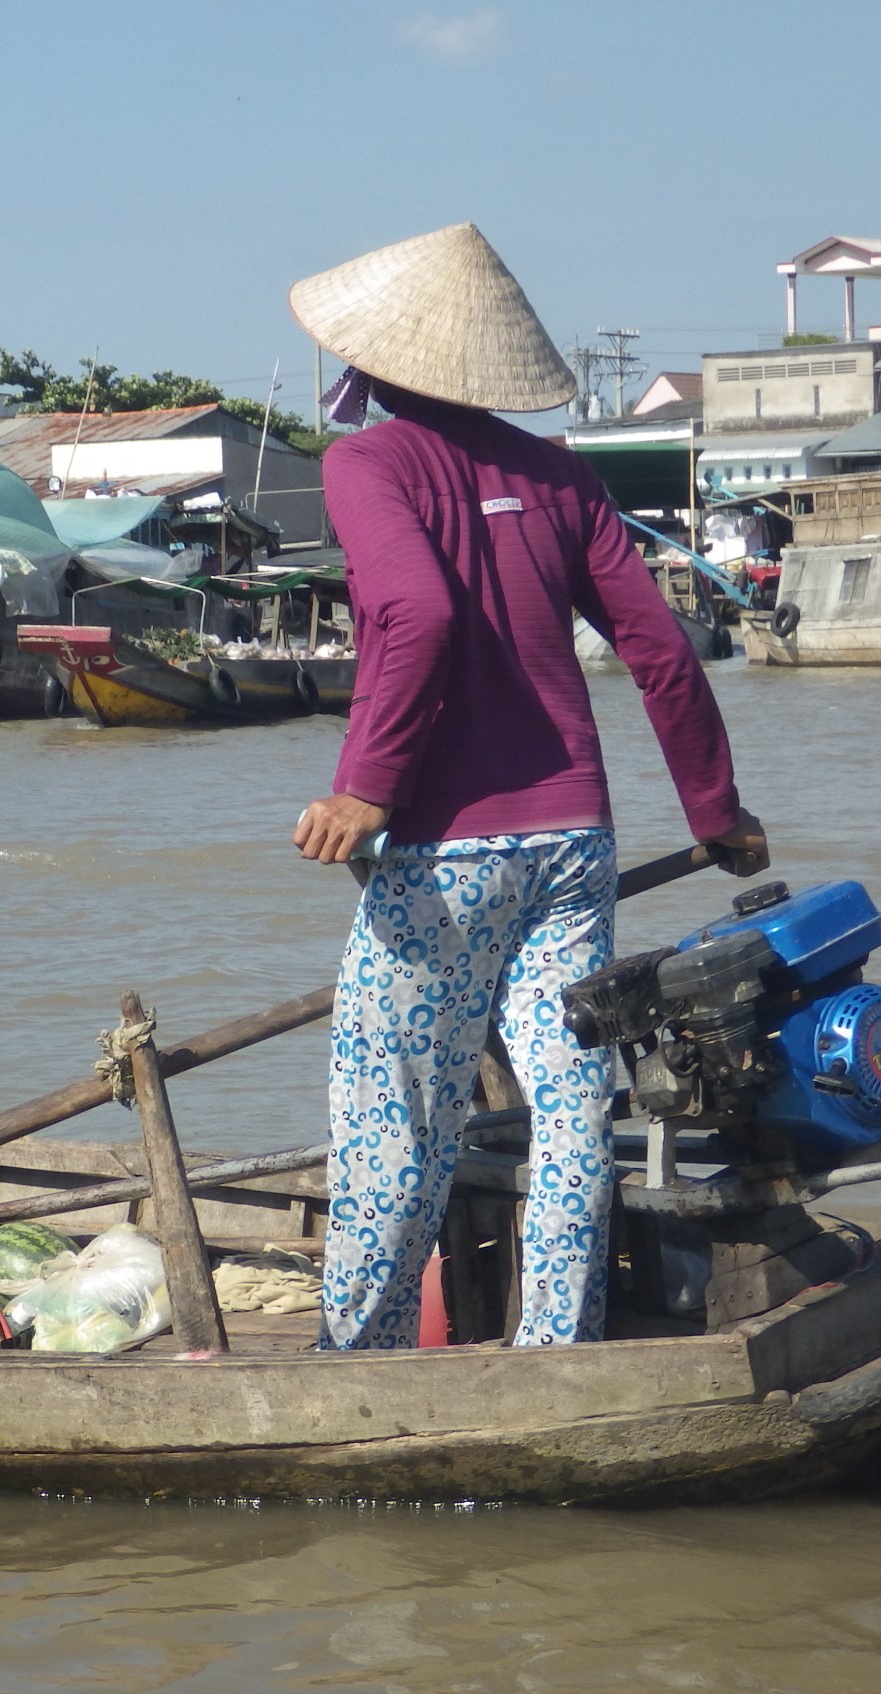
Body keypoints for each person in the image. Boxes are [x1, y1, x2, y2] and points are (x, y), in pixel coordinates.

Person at [284, 223, 767, 1353]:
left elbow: (420, 612)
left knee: (394, 1120)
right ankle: (555, 1347)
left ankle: (360, 1363)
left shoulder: (366, 463)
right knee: (569, 1110)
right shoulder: (559, 476)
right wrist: (716, 814)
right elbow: (659, 646)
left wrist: (365, 788)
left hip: (445, 854)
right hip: (571, 846)